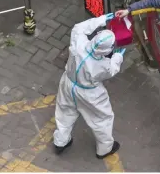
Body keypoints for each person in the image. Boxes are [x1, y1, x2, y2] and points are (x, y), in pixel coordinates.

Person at [53, 13, 126, 158]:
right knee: (101, 119)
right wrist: (118, 57)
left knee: (64, 112)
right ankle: (105, 149)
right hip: (89, 93)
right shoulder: (102, 65)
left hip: (68, 83)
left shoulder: (79, 42)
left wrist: (101, 19)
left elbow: (79, 28)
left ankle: (61, 141)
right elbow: (112, 70)